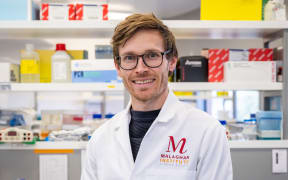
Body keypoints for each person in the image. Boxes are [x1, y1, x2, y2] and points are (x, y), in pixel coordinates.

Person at [81, 13, 233, 180]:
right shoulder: (100, 139)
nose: (140, 69)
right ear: (118, 67)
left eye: (152, 55)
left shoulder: (208, 132)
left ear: (172, 61)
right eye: (129, 58)